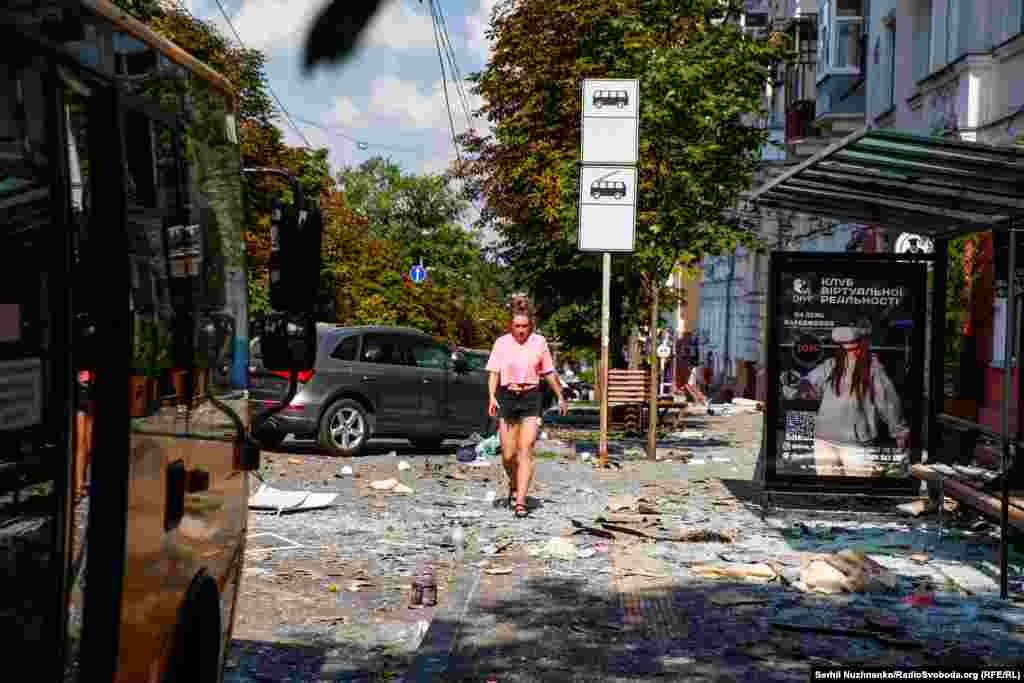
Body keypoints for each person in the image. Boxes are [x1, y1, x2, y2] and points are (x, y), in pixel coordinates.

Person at [486, 295, 567, 518]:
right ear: (510, 326)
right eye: (517, 326)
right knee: (508, 454)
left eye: (524, 326)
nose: (521, 330)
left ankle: (520, 500)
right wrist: (491, 397)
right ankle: (513, 484)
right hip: (507, 397)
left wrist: (560, 395)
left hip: (531, 396)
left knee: (525, 448)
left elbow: (548, 371)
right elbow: (494, 372)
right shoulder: (501, 343)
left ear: (530, 325)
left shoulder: (539, 342)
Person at [797, 324, 909, 477]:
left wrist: (899, 431)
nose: (849, 352)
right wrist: (799, 385)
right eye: (844, 347)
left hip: (854, 442)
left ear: (862, 345)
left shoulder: (872, 369)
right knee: (832, 493)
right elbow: (807, 385)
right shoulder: (831, 365)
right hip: (825, 439)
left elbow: (888, 402)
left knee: (860, 492)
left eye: (852, 347)